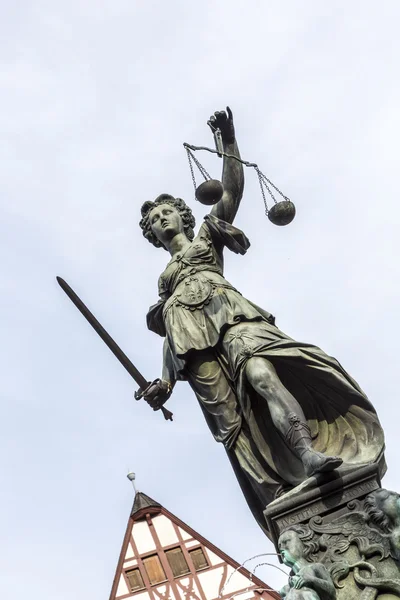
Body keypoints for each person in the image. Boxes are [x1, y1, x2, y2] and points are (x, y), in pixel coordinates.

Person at [139, 108, 385, 537]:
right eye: (153, 221)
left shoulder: (206, 239)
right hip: (193, 350)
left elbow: (231, 190)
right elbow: (171, 335)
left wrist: (229, 142)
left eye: (166, 213)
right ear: (150, 234)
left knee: (262, 372)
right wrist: (165, 382)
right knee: (234, 429)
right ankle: (281, 502)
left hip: (232, 317)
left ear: (183, 216)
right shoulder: (165, 284)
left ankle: (307, 452)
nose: (160, 221)